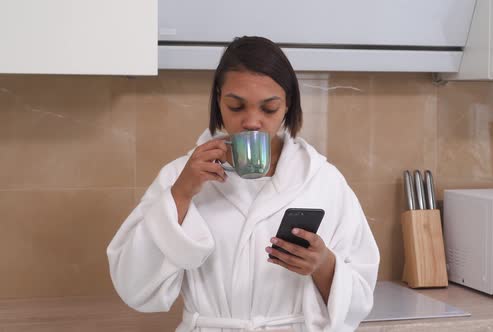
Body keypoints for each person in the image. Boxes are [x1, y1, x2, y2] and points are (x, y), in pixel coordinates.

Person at [107, 36, 380, 332]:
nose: (252, 122)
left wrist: (324, 265)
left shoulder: (322, 181)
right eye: (236, 107)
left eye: (269, 109)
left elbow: (361, 298)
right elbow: (133, 286)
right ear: (218, 102)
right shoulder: (180, 176)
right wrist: (180, 196)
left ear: (287, 105)